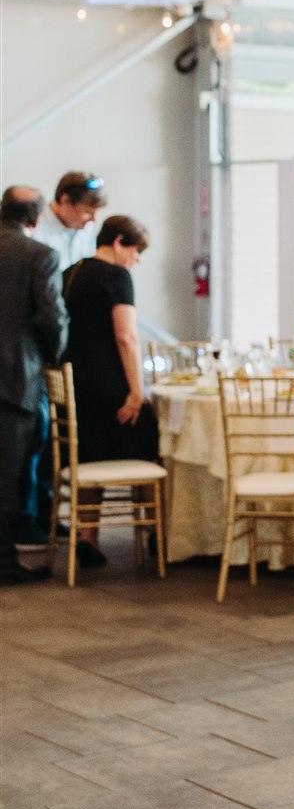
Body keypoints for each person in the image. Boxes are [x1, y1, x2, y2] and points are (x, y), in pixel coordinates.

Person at [62, 214, 159, 568]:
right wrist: (136, 390)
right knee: (151, 436)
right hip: (107, 384)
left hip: (76, 384)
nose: (138, 259)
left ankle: (88, 533)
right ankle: (156, 532)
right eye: (137, 250)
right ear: (119, 242)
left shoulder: (70, 273)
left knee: (91, 453)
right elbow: (126, 337)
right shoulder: (117, 276)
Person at [0, 187, 67, 585]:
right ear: (36, 218)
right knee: (10, 471)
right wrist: (50, 358)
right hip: (15, 378)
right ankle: (5, 563)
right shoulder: (40, 255)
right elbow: (53, 319)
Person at [32, 171, 105, 271]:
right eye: (88, 212)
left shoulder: (87, 227)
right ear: (65, 200)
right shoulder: (34, 229)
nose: (94, 219)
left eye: (97, 212)